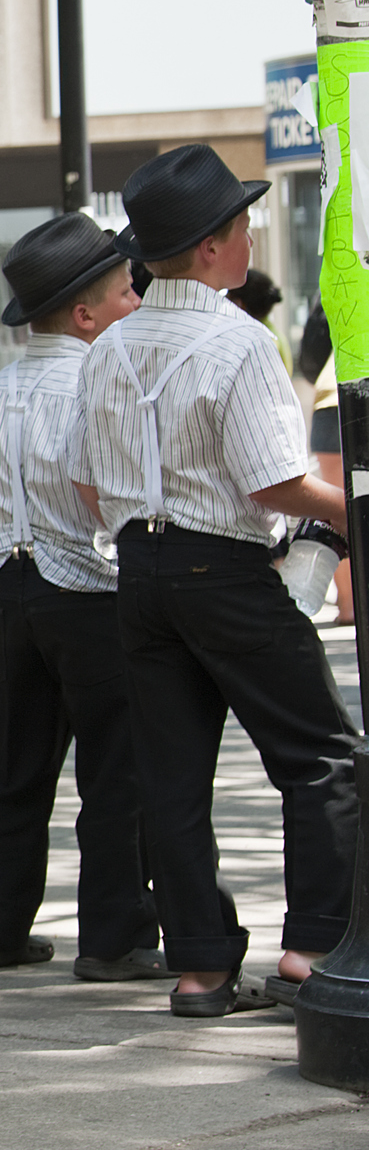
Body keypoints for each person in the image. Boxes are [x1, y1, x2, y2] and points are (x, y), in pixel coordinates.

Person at [71, 143, 360, 1017]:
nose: (246, 242)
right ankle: (311, 945)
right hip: (223, 567)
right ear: (209, 246)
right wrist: (353, 510)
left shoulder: (109, 347)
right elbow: (272, 482)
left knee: (171, 773)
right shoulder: (237, 340)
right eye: (238, 228)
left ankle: (199, 968)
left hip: (140, 570)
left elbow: (86, 482)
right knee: (321, 758)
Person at [0, 214, 168, 981]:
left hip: (11, 592)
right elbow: (106, 497)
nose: (136, 302)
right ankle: (114, 935)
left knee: (16, 761)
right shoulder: (94, 382)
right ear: (84, 314)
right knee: (115, 767)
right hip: (87, 592)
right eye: (124, 293)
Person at [298, 299, 350, 622]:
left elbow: (312, 349)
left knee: (339, 511)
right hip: (353, 397)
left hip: (328, 399)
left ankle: (348, 606)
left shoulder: (339, 290)